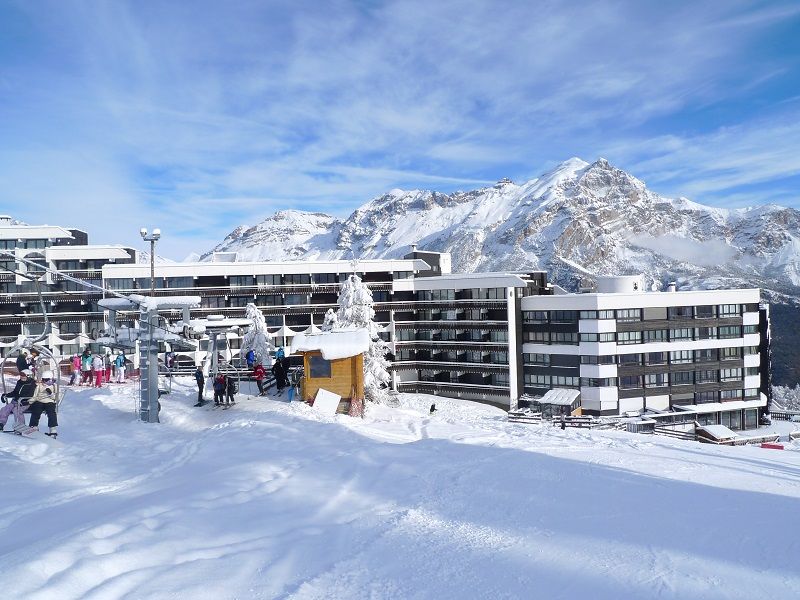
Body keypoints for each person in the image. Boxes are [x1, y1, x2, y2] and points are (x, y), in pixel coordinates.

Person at [27, 371, 58, 438]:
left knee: (51, 413)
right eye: (43, 380)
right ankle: (34, 426)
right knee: (36, 411)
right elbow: (35, 396)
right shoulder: (39, 386)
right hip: (39, 401)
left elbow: (57, 398)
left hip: (50, 401)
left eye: (46, 380)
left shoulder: (54, 387)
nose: (44, 382)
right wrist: (29, 402)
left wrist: (51, 394)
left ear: (50, 379)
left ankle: (52, 429)